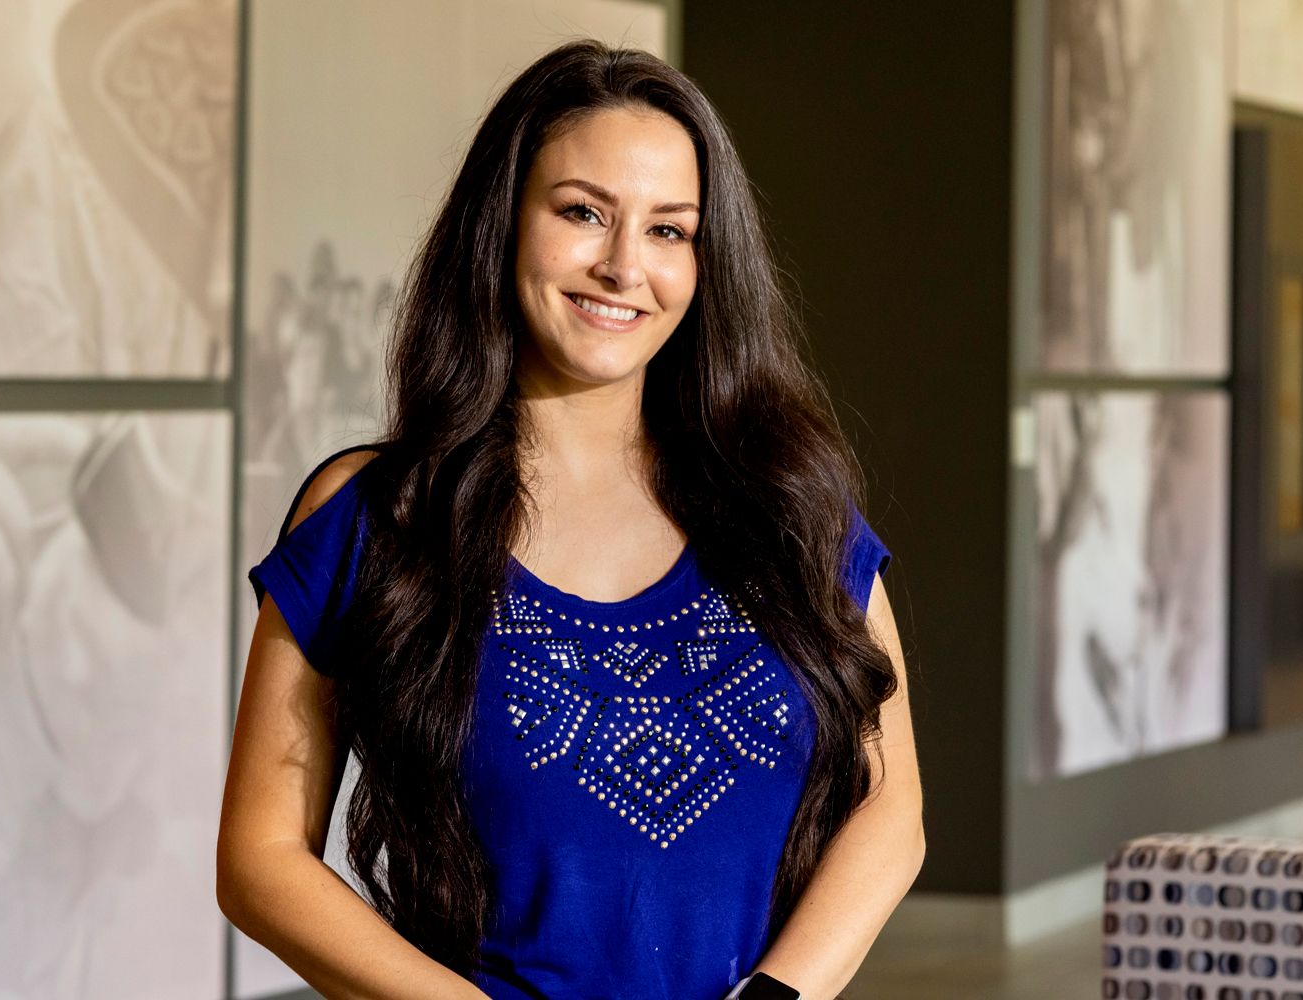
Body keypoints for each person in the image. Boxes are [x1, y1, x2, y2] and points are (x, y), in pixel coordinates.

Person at [216, 40, 923, 1000]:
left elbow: (889, 811)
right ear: (501, 224)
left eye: (670, 230)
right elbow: (259, 855)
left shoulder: (790, 503)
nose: (624, 265)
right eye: (583, 213)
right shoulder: (376, 516)